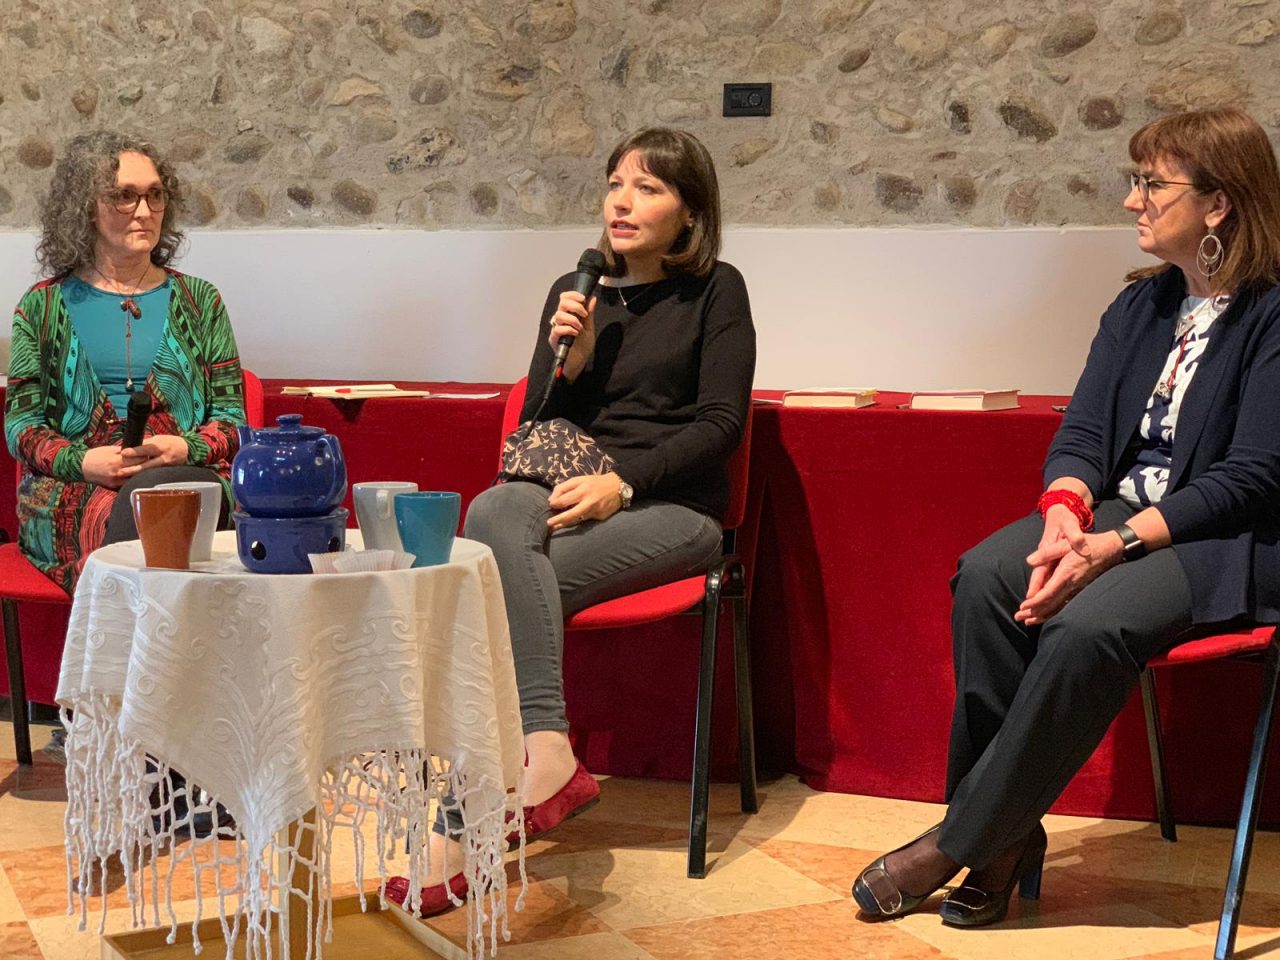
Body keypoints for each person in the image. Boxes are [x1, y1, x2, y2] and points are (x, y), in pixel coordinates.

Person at [851, 106, 1280, 928]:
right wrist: (1062, 517)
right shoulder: (1141, 307)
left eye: (1151, 183)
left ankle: (960, 842)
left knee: (1088, 629)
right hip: (1117, 514)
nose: (1132, 202)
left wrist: (1111, 548)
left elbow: (1255, 477)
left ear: (1218, 204)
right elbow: (1082, 432)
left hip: (1229, 538)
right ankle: (1006, 837)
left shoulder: (1272, 314)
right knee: (985, 575)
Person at [386, 127, 756, 916]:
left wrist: (621, 484)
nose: (622, 201)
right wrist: (573, 363)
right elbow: (534, 427)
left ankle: (460, 832)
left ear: (690, 213)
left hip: (671, 507)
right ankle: (547, 750)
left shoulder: (717, 290)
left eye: (649, 188)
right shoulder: (577, 285)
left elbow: (722, 425)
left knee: (500, 586)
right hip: (563, 485)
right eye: (615, 182)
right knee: (491, 511)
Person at [5, 130, 245, 594]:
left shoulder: (201, 301)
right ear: (85, 208)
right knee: (144, 509)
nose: (143, 210)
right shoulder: (42, 306)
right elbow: (22, 426)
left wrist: (182, 449)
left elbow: (233, 421)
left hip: (188, 477)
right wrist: (85, 462)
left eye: (154, 195)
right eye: (124, 196)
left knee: (165, 497)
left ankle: (124, 654)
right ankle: (153, 653)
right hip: (75, 489)